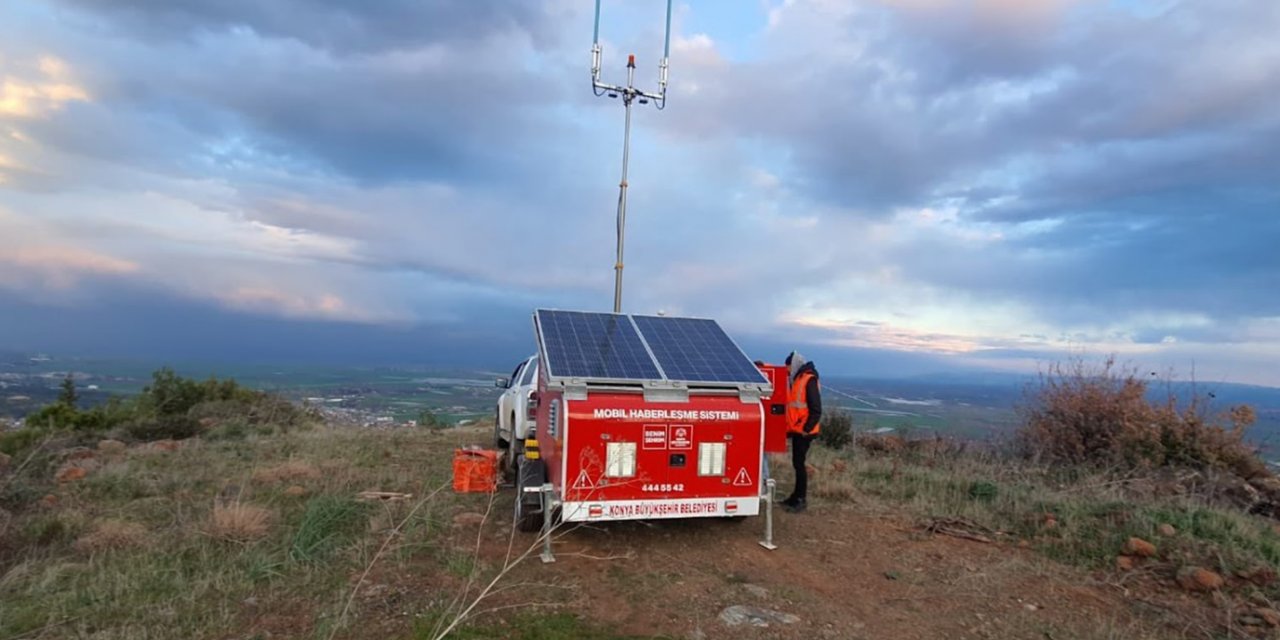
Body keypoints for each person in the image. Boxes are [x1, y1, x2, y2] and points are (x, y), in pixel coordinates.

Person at [782, 351, 821, 513]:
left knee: (799, 464)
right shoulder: (798, 379)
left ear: (795, 364)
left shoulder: (808, 379)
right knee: (797, 463)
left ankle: (800, 499)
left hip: (805, 432)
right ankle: (795, 497)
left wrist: (805, 429)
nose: (788, 371)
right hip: (798, 430)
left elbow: (816, 409)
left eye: (788, 367)